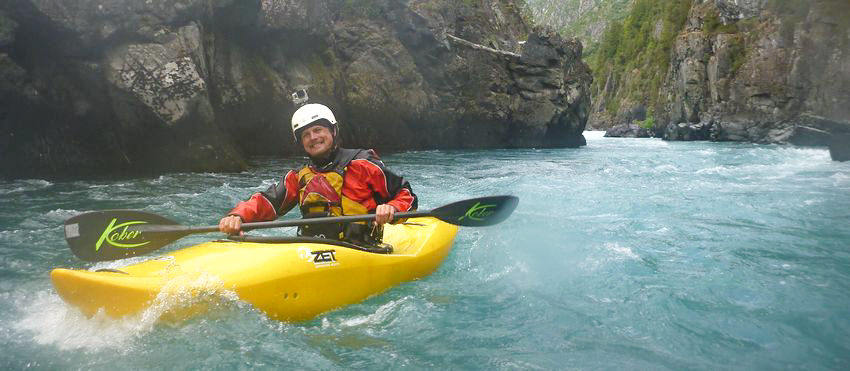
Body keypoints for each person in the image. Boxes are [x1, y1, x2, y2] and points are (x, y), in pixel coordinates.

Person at [218, 103, 417, 245]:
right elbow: (267, 202)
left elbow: (406, 195)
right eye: (306, 134)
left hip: (362, 250)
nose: (313, 137)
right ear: (301, 142)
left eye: (318, 129)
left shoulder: (363, 163)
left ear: (333, 131)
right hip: (313, 250)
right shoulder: (299, 176)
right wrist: (238, 217)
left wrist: (391, 208)